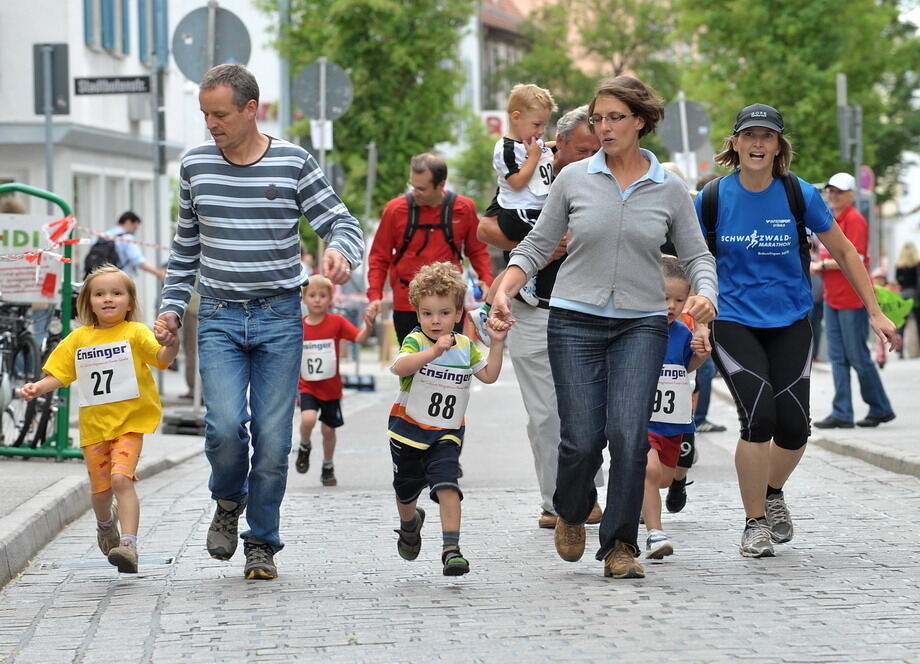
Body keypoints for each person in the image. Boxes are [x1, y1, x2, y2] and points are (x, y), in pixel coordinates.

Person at [491, 76, 718, 580]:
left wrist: (706, 294)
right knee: (580, 439)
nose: (605, 126)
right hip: (574, 319)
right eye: (598, 118)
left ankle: (619, 544)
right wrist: (505, 286)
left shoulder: (669, 188)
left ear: (640, 121)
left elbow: (698, 254)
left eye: (615, 117)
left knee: (629, 434)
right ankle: (572, 510)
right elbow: (533, 246)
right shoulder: (573, 180)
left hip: (641, 323)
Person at [154, 64, 364, 581]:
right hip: (220, 316)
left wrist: (339, 252)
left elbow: (342, 221)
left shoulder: (292, 161)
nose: (210, 124)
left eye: (220, 114)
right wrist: (171, 308)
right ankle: (228, 501)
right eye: (204, 114)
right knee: (224, 427)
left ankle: (262, 541)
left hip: (277, 316)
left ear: (251, 109)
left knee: (273, 440)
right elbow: (184, 250)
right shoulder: (195, 166)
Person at [698, 106, 898, 558]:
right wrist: (687, 314)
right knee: (758, 416)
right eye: (749, 135)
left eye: (766, 137)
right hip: (732, 319)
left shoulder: (798, 194)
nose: (757, 144)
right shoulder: (711, 198)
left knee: (794, 428)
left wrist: (875, 311)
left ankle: (771, 493)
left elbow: (846, 253)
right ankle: (753, 525)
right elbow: (689, 256)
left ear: (777, 146)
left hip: (789, 320)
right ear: (735, 143)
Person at [475, 105, 604, 529]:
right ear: (559, 143)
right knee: (546, 415)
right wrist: (538, 245)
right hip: (533, 309)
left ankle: (586, 492)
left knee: (586, 411)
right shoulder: (532, 171)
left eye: (595, 149)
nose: (590, 157)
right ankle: (558, 503)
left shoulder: (607, 175)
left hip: (589, 311)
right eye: (582, 149)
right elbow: (486, 228)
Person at [21, 265, 179, 573]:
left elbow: (160, 358)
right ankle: (106, 525)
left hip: (130, 424)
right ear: (88, 302)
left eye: (116, 293)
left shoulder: (135, 332)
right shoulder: (78, 338)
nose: (108, 299)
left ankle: (129, 546)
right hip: (95, 427)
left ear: (130, 302)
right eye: (99, 294)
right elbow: (60, 374)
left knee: (121, 479)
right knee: (101, 491)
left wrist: (170, 346)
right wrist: (37, 387)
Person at [388, 262, 507, 576]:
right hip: (408, 433)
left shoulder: (466, 347)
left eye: (443, 313)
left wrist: (497, 343)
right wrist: (432, 353)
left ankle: (451, 549)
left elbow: (490, 376)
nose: (435, 321)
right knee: (405, 491)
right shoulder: (416, 342)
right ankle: (410, 523)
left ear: (458, 314)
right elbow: (401, 367)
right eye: (427, 314)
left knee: (448, 486)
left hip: (446, 433)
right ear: (417, 315)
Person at [365, 154, 493, 345]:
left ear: (441, 185)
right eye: (413, 186)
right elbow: (379, 256)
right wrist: (375, 296)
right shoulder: (395, 210)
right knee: (411, 367)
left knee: (448, 366)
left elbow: (478, 251)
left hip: (448, 306)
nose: (415, 192)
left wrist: (486, 280)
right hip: (407, 305)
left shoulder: (463, 208)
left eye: (422, 188)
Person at [812, 172, 896, 429]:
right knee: (838, 357)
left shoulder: (854, 219)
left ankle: (880, 408)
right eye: (830, 191)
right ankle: (842, 412)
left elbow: (855, 258)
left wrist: (823, 265)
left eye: (838, 191)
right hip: (833, 298)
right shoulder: (833, 219)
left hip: (853, 299)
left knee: (857, 356)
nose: (833, 195)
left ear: (851, 195)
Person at [643, 257, 711, 559]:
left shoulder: (683, 333)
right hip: (642, 419)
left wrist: (701, 355)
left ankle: (637, 498)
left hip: (672, 420)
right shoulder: (639, 329)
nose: (671, 305)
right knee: (649, 469)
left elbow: (686, 367)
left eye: (679, 299)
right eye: (664, 297)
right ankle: (655, 534)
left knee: (666, 478)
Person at [294, 274, 374, 485]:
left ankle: (327, 465)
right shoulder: (298, 326)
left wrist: (369, 326)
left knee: (328, 430)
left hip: (331, 388)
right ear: (303, 298)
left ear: (330, 299)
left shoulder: (336, 322)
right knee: (308, 419)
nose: (317, 300)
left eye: (322, 295)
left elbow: (359, 338)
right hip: (308, 386)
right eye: (312, 295)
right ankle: (304, 445)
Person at [98, 212, 166, 280]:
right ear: (128, 222)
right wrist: (158, 273)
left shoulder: (103, 235)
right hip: (119, 280)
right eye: (135, 228)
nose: (135, 232)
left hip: (99, 278)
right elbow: (138, 260)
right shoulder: (127, 238)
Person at [894, 241, 919, 356]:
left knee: (902, 323)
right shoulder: (917, 263)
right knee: (918, 322)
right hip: (915, 295)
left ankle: (900, 351)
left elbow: (898, 280)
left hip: (903, 294)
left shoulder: (899, 265)